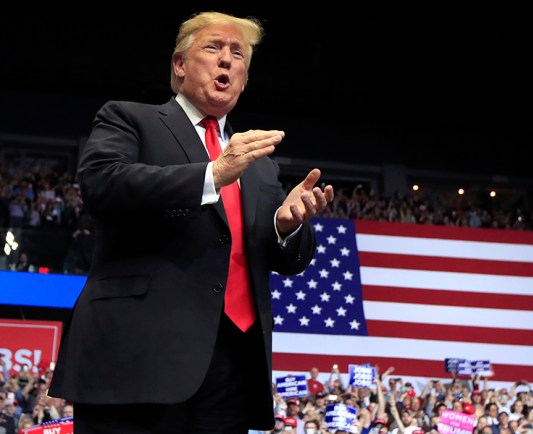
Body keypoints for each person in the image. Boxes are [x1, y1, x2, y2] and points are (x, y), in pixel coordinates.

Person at [48, 10, 334, 434]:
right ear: (179, 65)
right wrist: (213, 175)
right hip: (138, 357)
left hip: (233, 366)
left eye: (238, 54)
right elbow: (103, 183)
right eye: (214, 47)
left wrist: (287, 226)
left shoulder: (258, 166)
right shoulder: (130, 119)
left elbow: (284, 259)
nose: (227, 60)